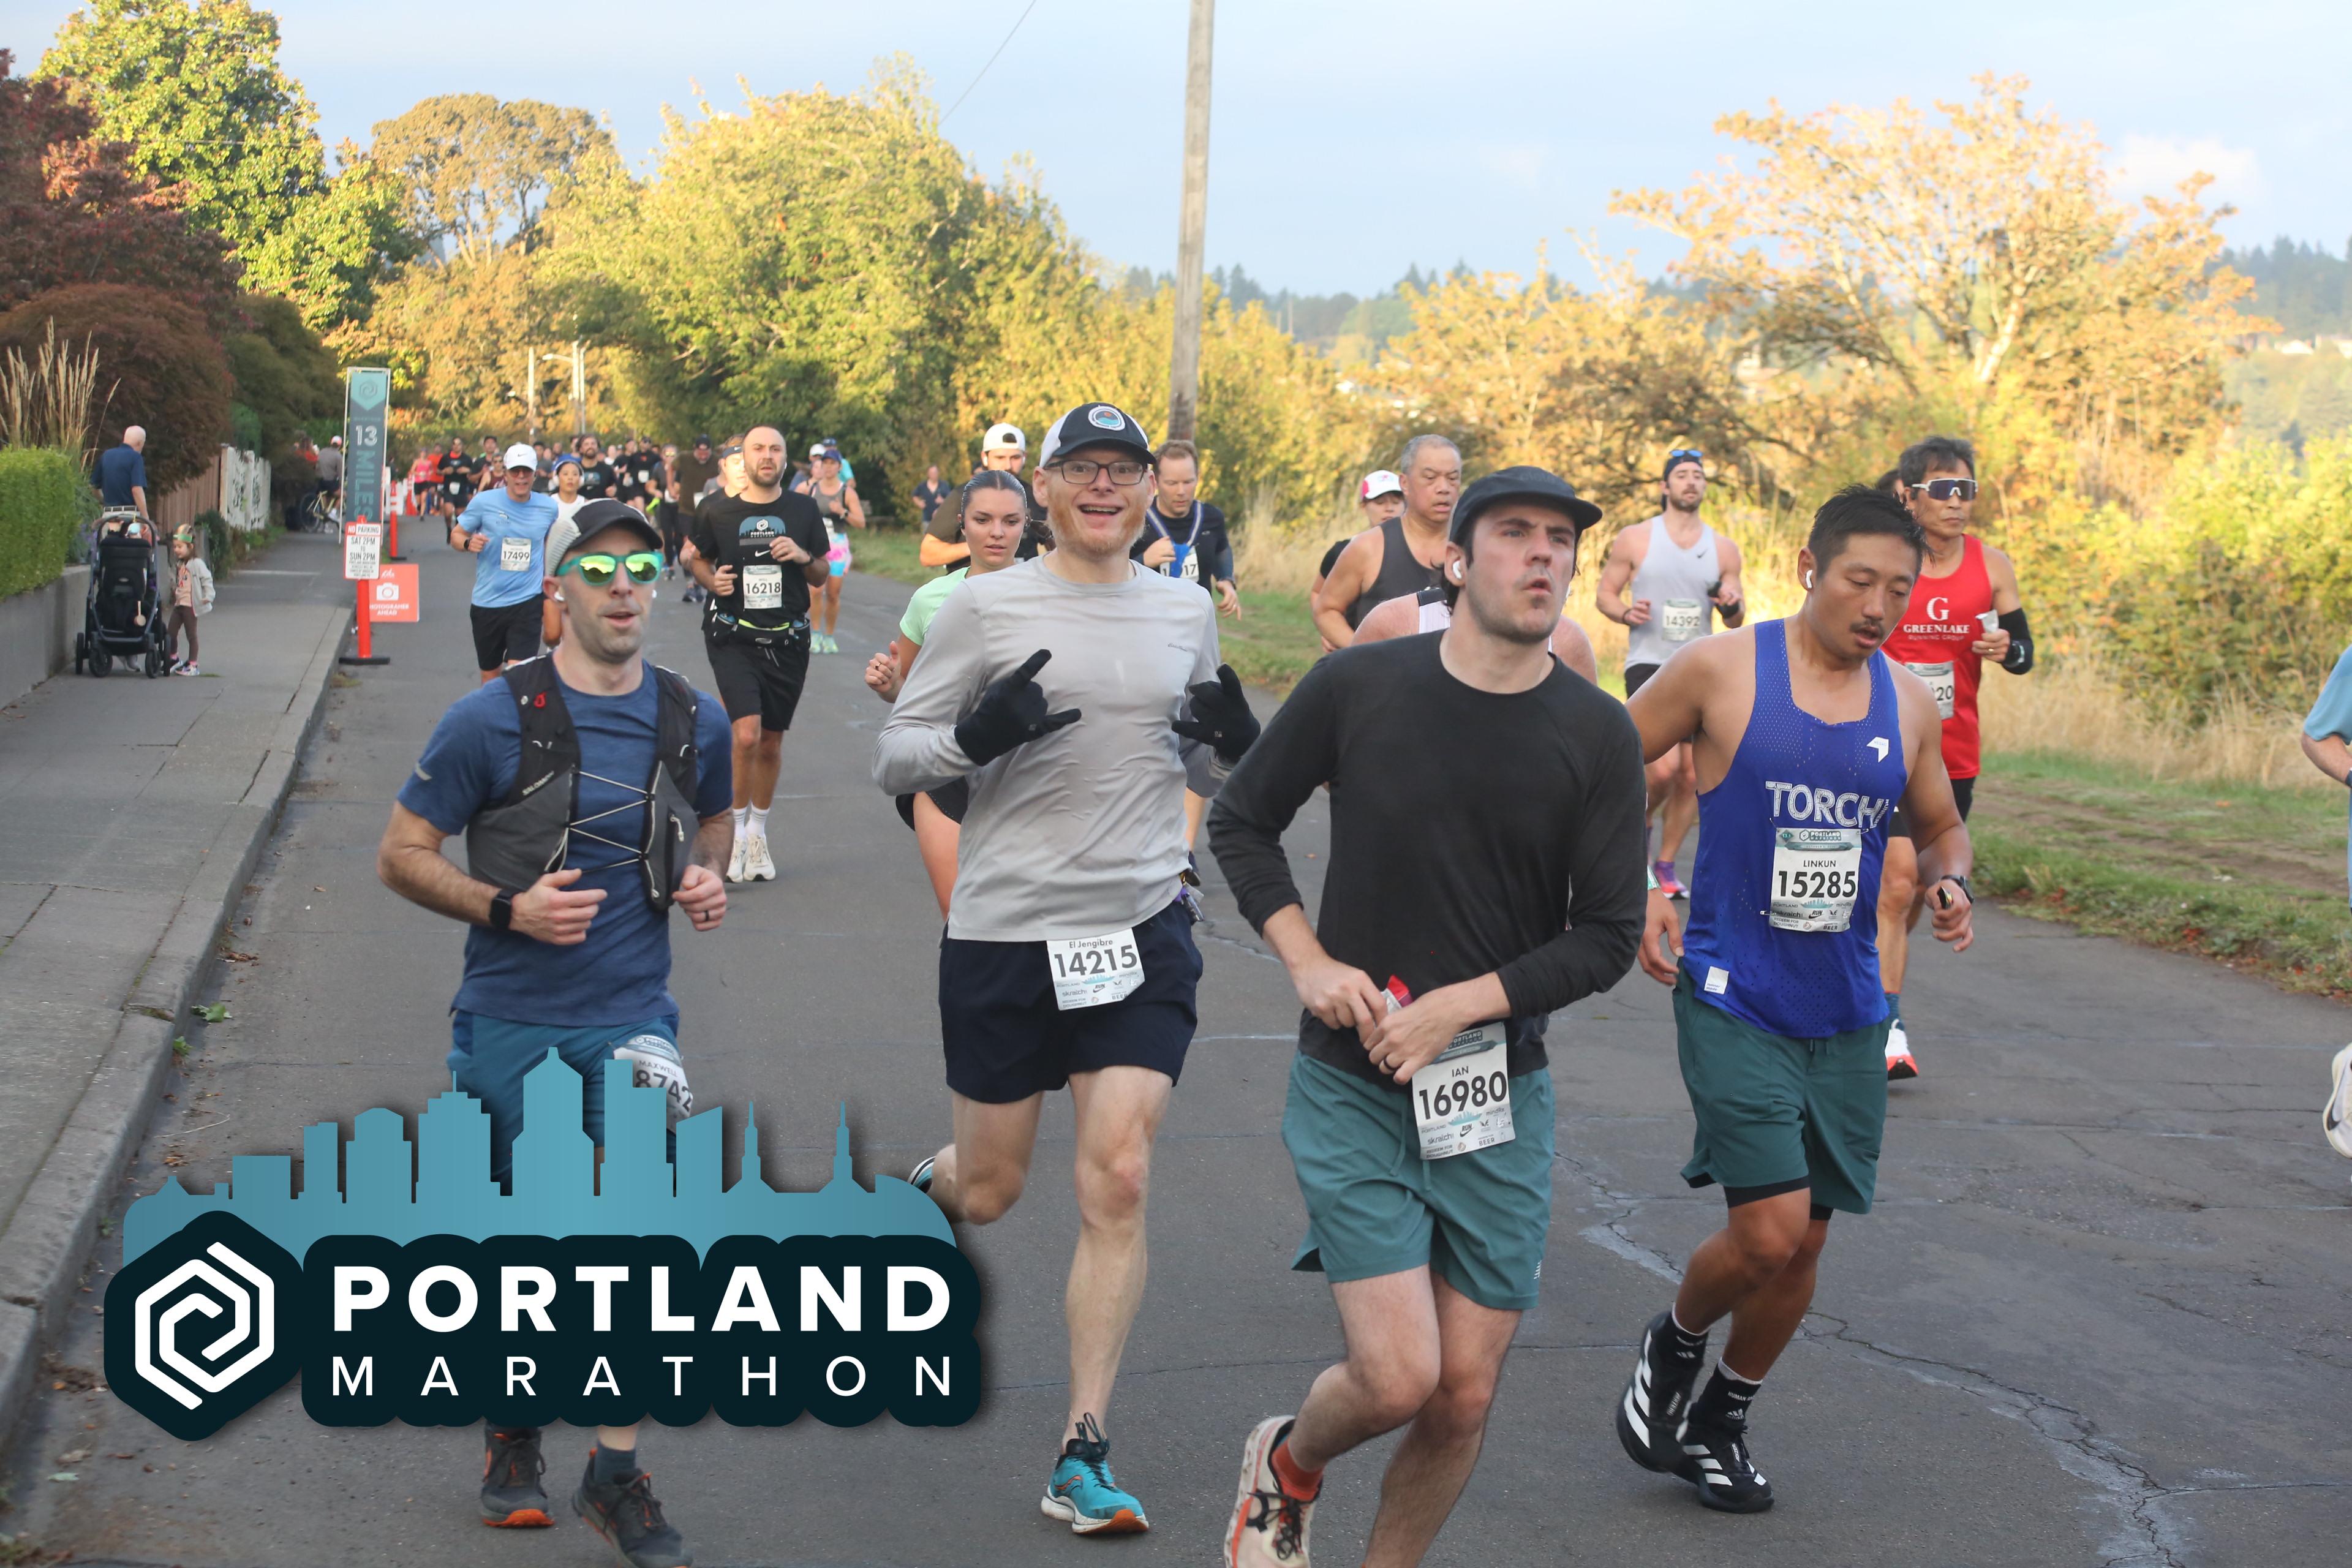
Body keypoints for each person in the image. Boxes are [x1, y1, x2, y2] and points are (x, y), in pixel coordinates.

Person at [1209, 467, 1644, 1568]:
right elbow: (1243, 820)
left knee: (1461, 1397)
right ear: (1456, 557)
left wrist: (1461, 1006)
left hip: (1496, 1096)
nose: (1543, 554)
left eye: (1561, 540)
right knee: (1399, 1376)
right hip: (1352, 1082)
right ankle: (1291, 1463)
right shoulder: (1362, 685)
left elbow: (1607, 935)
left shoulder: (1598, 732)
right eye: (1516, 533)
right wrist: (1307, 960)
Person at [873, 401, 1258, 1537]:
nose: (1104, 486)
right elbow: (898, 756)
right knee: (992, 1190)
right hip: (1007, 931)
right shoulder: (983, 605)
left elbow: (1200, 757)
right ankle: (920, 1197)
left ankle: (1082, 1449)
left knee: (1119, 1176)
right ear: (1040, 488)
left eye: (1123, 470)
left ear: (1150, 489)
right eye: (1081, 468)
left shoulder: (1186, 608)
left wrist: (1234, 749)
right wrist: (971, 740)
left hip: (1139, 925)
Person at [378, 498, 731, 1568]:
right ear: (557, 590)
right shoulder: (489, 718)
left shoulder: (693, 717)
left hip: (633, 1020)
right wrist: (506, 907)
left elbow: (714, 817)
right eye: (600, 569)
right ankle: (512, 1424)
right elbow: (402, 853)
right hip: (508, 1021)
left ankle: (614, 1472)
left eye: (642, 569)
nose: (624, 587)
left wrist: (703, 873)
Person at [1616, 484, 1974, 1516]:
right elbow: (1602, 769)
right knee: (1769, 1232)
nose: (1878, 605)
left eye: (1899, 590)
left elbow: (1941, 827)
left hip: (1849, 1007)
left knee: (1808, 1239)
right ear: (1811, 568)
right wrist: (1648, 883)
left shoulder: (1907, 703)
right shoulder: (1721, 669)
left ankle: (1722, 1419)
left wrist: (1950, 879)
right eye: (1860, 580)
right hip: (1734, 990)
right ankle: (1675, 1341)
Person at [1876, 435, 2030, 1079]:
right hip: (1881, 747)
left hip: (1952, 753)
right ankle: (1886, 1027)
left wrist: (2004, 648)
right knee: (1896, 879)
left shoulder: (1992, 565)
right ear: (1909, 495)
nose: (1956, 502)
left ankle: (1869, 976)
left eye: (1966, 490)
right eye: (1942, 489)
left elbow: (2024, 652)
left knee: (1910, 888)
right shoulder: (1888, 558)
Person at [862, 470, 1033, 916]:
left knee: (1026, 922)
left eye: (1011, 522)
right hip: (948, 771)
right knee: (963, 921)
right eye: (983, 520)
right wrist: (891, 686)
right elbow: (910, 699)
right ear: (962, 523)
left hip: (1029, 774)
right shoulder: (930, 599)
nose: (997, 533)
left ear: (1026, 524)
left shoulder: (1050, 593)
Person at [1596, 448, 1747, 898]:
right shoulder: (1636, 538)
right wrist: (1625, 613)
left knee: (1691, 776)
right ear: (1665, 486)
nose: (1691, 482)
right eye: (1682, 475)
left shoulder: (1723, 548)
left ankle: (1665, 866)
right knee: (1661, 771)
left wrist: (1731, 605)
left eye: (1698, 475)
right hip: (1649, 662)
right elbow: (1605, 594)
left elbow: (1737, 619)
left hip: (1700, 669)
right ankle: (1638, 836)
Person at [685, 427, 829, 883]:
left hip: (788, 640)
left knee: (770, 742)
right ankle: (729, 836)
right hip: (734, 636)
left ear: (785, 459)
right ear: (742, 459)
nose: (767, 456)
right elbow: (696, 558)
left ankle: (757, 834)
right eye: (758, 449)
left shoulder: (803, 509)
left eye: (775, 449)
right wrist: (712, 581)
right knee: (745, 735)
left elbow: (822, 573)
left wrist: (802, 555)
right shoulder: (718, 510)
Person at [1312, 437, 1460, 647]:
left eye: (1453, 478)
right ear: (1405, 483)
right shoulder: (1368, 548)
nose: (1444, 488)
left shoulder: (1474, 548)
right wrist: (1359, 652)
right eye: (1430, 478)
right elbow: (1326, 610)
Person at [452, 444, 560, 684]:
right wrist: (468, 543)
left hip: (528, 601)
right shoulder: (484, 502)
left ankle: (518, 709)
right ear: (506, 473)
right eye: (515, 471)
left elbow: (553, 545)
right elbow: (456, 535)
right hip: (488, 602)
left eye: (526, 471)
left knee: (520, 675)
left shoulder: (549, 507)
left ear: (534, 474)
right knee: (491, 679)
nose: (521, 477)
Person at [922, 423, 1029, 569]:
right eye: (1000, 458)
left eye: (1015, 458)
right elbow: (928, 554)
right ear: (985, 457)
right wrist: (979, 545)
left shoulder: (1038, 495)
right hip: (969, 581)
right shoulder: (964, 495)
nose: (1008, 465)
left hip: (1023, 583)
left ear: (1024, 458)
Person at [806, 445, 864, 654]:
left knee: (832, 594)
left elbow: (861, 523)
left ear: (840, 467)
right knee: (815, 590)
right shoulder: (812, 489)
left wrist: (842, 512)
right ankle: (815, 633)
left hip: (837, 546)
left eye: (833, 463)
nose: (829, 467)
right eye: (825, 463)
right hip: (816, 545)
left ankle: (829, 636)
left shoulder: (847, 492)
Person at [165, 526, 213, 676]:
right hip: (179, 604)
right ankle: (173, 658)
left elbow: (207, 579)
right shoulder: (180, 564)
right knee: (170, 633)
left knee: (191, 635)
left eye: (180, 547)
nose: (176, 550)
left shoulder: (197, 564)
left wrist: (208, 595)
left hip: (190, 606)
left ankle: (193, 664)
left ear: (190, 547)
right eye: (175, 547)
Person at [96, 425, 150, 521]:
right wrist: (146, 517)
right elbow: (136, 489)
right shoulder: (136, 458)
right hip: (129, 516)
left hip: (108, 516)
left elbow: (94, 486)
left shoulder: (106, 455)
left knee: (107, 532)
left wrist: (104, 500)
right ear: (140, 443)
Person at [912, 464, 949, 529]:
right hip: (927, 520)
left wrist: (943, 501)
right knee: (928, 535)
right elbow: (914, 495)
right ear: (928, 474)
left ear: (938, 473)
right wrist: (919, 503)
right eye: (932, 473)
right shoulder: (923, 486)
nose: (934, 475)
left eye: (935, 473)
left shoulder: (944, 485)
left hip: (942, 520)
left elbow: (951, 500)